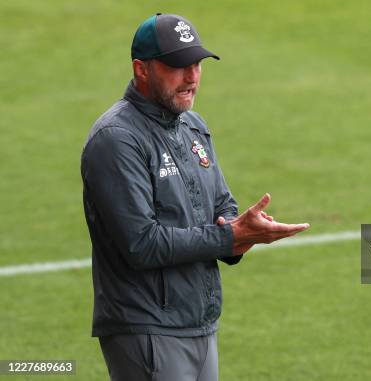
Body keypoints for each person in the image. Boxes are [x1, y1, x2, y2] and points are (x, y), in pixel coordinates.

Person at [80, 13, 309, 381]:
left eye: (197, 63)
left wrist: (242, 232)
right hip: (148, 328)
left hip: (199, 323)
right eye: (177, 66)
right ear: (142, 69)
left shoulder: (193, 126)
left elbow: (221, 206)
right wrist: (228, 236)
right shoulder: (116, 140)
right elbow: (142, 243)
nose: (192, 76)